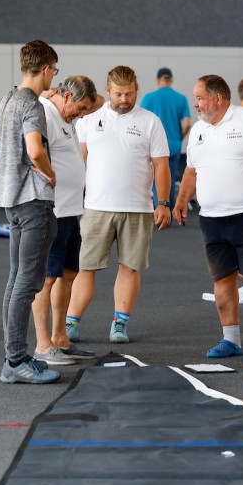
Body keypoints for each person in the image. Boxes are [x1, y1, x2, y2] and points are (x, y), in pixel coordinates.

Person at [173, 74, 243, 361]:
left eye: (199, 98)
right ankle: (230, 339)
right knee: (222, 280)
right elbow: (191, 171)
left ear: (218, 98)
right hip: (211, 219)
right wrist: (181, 201)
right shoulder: (198, 130)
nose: (195, 104)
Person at [0, 40, 60, 384]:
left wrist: (7, 168)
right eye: (54, 70)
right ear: (44, 69)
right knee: (26, 283)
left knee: (17, 281)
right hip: (33, 202)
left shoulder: (7, 98)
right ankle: (14, 362)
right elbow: (35, 149)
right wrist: (49, 172)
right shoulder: (32, 104)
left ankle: (18, 356)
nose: (54, 76)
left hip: (12, 201)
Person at [67, 65, 171, 344]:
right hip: (96, 207)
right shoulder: (89, 120)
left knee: (129, 267)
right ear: (107, 91)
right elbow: (79, 163)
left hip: (138, 208)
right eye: (118, 94)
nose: (124, 99)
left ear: (137, 91)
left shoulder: (150, 122)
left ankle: (119, 324)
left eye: (129, 94)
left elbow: (161, 166)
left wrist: (163, 202)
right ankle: (70, 323)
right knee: (85, 267)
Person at [31, 76, 99, 366]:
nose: (82, 114)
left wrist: (75, 104)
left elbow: (100, 103)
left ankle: (60, 338)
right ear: (67, 96)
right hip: (53, 210)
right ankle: (43, 345)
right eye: (80, 107)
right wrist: (51, 176)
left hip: (72, 210)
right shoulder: (45, 112)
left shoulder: (67, 113)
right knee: (46, 279)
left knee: (69, 274)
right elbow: (33, 152)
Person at [140, 67, 191, 211]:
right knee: (170, 177)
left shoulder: (149, 98)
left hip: (153, 145)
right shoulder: (181, 98)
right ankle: (170, 210)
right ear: (171, 80)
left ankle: (158, 209)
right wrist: (179, 137)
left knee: (155, 178)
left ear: (158, 80)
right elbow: (187, 123)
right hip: (173, 145)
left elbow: (140, 121)